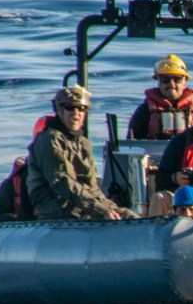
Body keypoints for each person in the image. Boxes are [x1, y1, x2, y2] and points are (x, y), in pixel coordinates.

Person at [25, 85, 123, 221]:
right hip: (54, 203)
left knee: (127, 216)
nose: (76, 113)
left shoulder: (83, 143)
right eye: (70, 108)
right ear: (59, 110)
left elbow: (91, 186)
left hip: (81, 202)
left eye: (82, 108)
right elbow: (61, 182)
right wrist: (99, 210)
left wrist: (110, 208)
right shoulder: (50, 139)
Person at [127, 55, 193, 139]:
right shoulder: (144, 111)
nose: (171, 84)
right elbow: (132, 145)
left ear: (184, 82)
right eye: (165, 79)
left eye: (177, 79)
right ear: (159, 82)